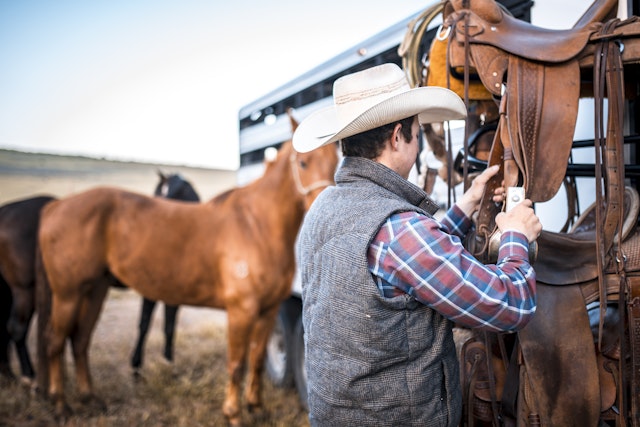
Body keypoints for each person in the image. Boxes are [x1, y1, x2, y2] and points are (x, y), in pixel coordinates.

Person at [292, 63, 542, 427]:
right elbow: (511, 304)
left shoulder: (323, 208)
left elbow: (399, 267)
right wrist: (517, 234)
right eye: (417, 132)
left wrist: (466, 207)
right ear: (397, 137)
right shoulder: (401, 231)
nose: (418, 140)